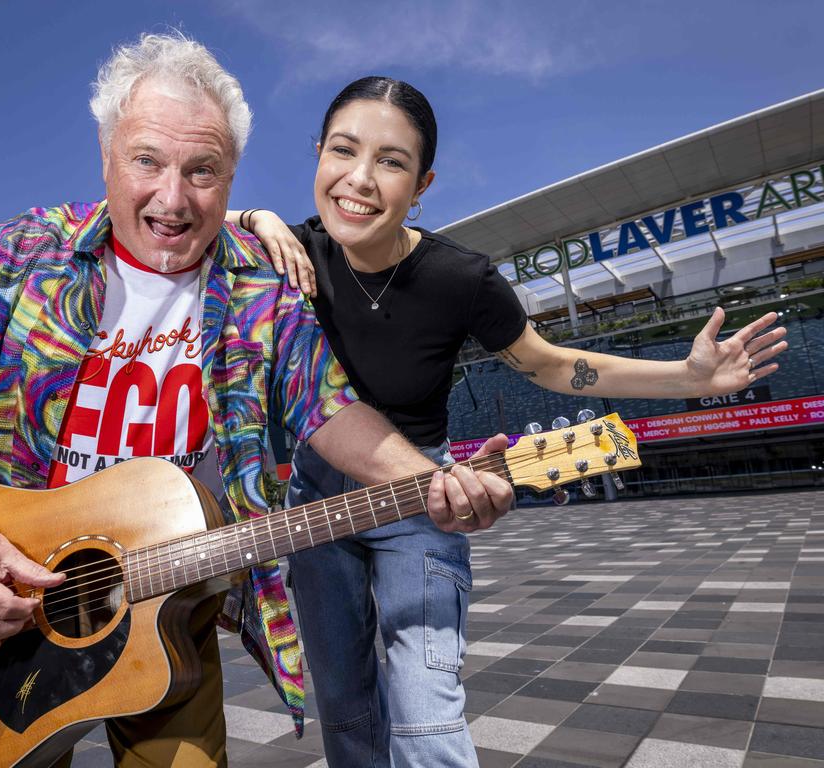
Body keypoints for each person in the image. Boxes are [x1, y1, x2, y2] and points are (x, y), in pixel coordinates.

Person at [0, 42, 516, 768]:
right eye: (146, 162)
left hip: (170, 610)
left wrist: (432, 480)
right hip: (4, 610)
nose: (173, 198)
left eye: (203, 171)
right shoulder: (16, 258)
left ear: (231, 177)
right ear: (105, 156)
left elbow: (330, 409)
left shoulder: (261, 289)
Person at [231, 76, 787, 768]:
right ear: (317, 155)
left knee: (427, 715)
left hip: (424, 496)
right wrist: (253, 216)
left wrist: (687, 377)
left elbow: (551, 366)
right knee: (345, 713)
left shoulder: (459, 279)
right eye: (344, 151)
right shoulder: (286, 259)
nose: (361, 180)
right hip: (316, 502)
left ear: (423, 182)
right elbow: (173, 236)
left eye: (392, 161)